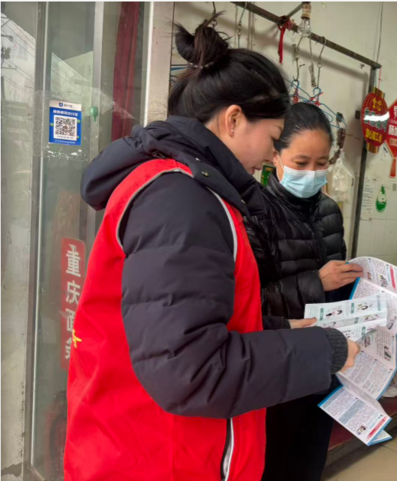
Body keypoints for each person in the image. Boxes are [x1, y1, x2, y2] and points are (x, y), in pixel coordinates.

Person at [64, 17, 359, 481]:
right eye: (273, 138)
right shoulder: (180, 198)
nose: (270, 155)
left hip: (158, 443)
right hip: (156, 457)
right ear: (234, 119)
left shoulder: (191, 191)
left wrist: (281, 327)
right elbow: (190, 369)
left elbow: (190, 324)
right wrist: (322, 350)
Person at [244, 103, 363, 481]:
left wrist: (365, 294)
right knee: (272, 463)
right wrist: (316, 282)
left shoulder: (329, 210)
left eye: (321, 163)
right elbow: (247, 304)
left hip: (324, 360)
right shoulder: (253, 213)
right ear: (275, 156)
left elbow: (338, 288)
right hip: (277, 364)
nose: (312, 173)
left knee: (310, 461)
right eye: (301, 162)